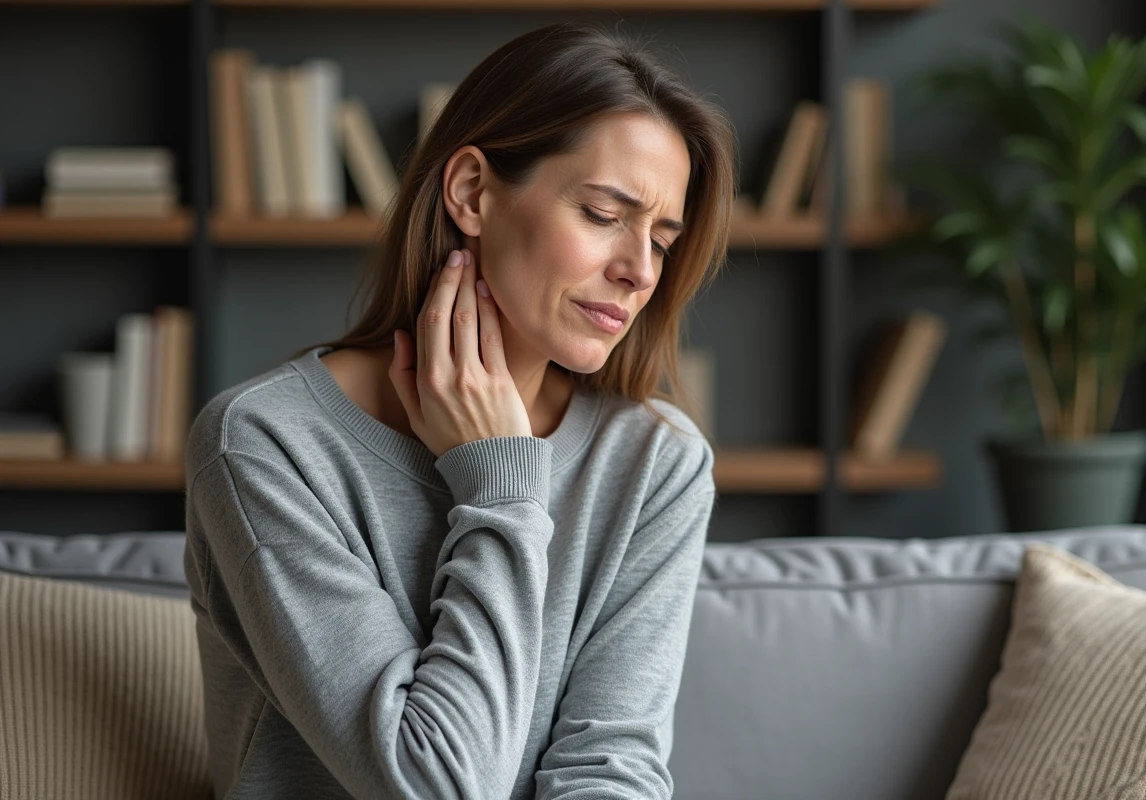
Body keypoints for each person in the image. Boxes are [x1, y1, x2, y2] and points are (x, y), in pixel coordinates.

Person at [184, 20, 735, 800]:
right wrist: (501, 488)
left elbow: (608, 769)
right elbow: (436, 784)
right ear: (472, 192)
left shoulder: (656, 462)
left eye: (663, 238)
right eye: (605, 216)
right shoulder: (267, 445)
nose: (638, 270)